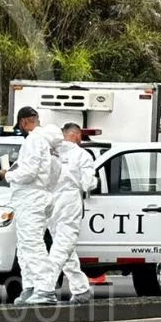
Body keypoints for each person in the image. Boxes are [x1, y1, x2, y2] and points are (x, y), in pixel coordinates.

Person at [2, 106, 63, 305]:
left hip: (31, 198)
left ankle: (45, 289)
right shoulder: (47, 144)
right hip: (37, 196)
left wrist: (8, 174)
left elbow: (28, 172)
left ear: (24, 121)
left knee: (33, 244)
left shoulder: (34, 140)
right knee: (25, 246)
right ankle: (31, 286)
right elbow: (53, 173)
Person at [47, 123, 97, 303]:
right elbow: (87, 184)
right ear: (76, 135)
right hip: (69, 203)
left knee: (65, 247)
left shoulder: (51, 152)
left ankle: (81, 288)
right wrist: (94, 181)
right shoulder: (82, 155)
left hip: (50, 203)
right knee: (63, 247)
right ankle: (45, 286)